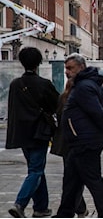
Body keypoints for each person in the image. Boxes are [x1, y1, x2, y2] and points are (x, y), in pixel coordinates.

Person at [54, 53, 103, 218]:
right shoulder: (89, 85)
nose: (67, 72)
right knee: (71, 181)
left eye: (70, 68)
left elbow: (97, 111)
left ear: (81, 67)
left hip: (84, 141)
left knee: (93, 179)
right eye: (65, 68)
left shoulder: (83, 87)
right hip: (80, 141)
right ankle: (65, 213)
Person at [6, 47, 59, 218]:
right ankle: (20, 203)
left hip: (22, 133)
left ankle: (41, 207)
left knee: (36, 169)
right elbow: (55, 106)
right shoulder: (44, 84)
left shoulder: (15, 84)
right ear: (38, 63)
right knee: (36, 170)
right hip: (39, 132)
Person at [50, 77, 88, 218]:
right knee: (76, 178)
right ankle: (78, 209)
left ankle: (78, 208)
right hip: (76, 142)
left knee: (71, 177)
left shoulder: (62, 98)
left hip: (65, 143)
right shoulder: (78, 99)